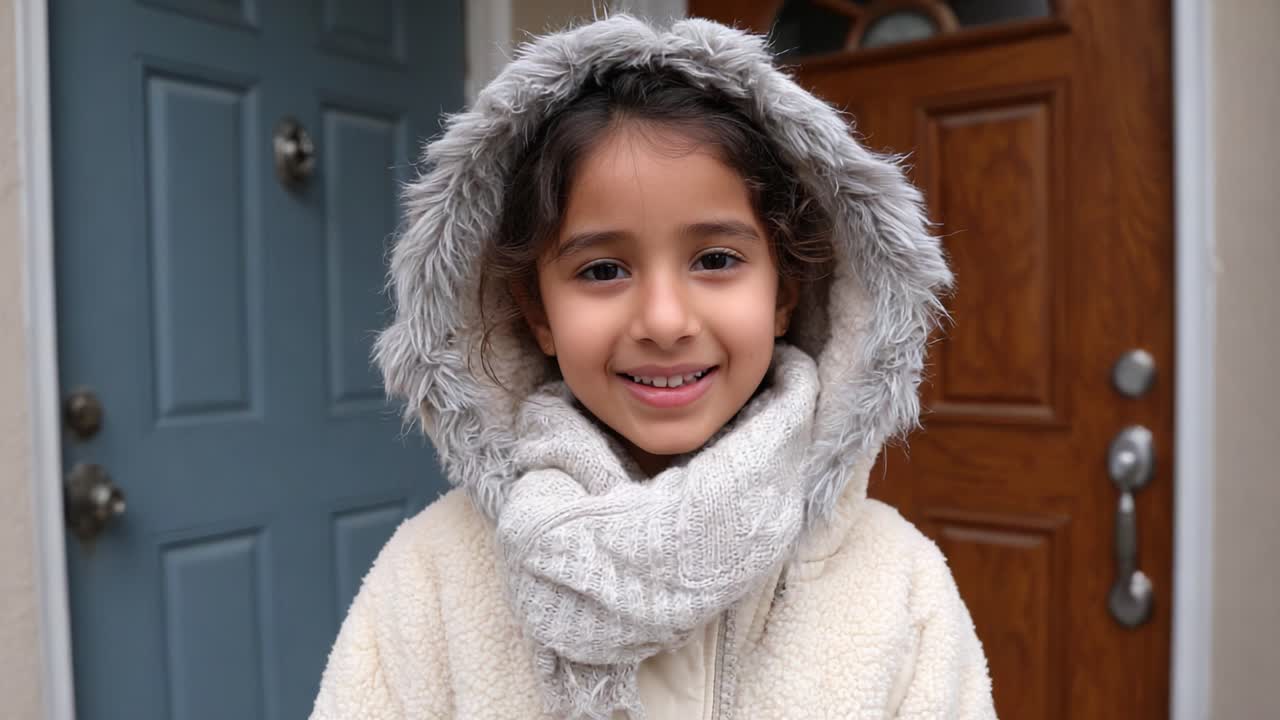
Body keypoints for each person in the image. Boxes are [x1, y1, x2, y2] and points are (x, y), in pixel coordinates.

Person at [311, 14, 995, 720]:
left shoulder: (896, 584)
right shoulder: (433, 576)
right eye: (604, 269)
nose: (665, 321)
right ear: (538, 312)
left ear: (784, 293)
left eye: (716, 260)